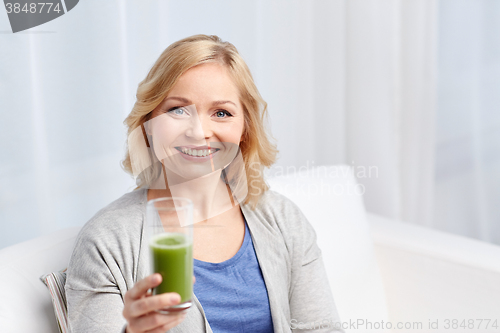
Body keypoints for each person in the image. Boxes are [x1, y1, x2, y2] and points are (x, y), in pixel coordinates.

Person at [65, 34, 344, 333]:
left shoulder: (283, 219)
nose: (199, 132)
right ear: (147, 125)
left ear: (244, 129)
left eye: (221, 113)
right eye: (177, 110)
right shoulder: (105, 242)